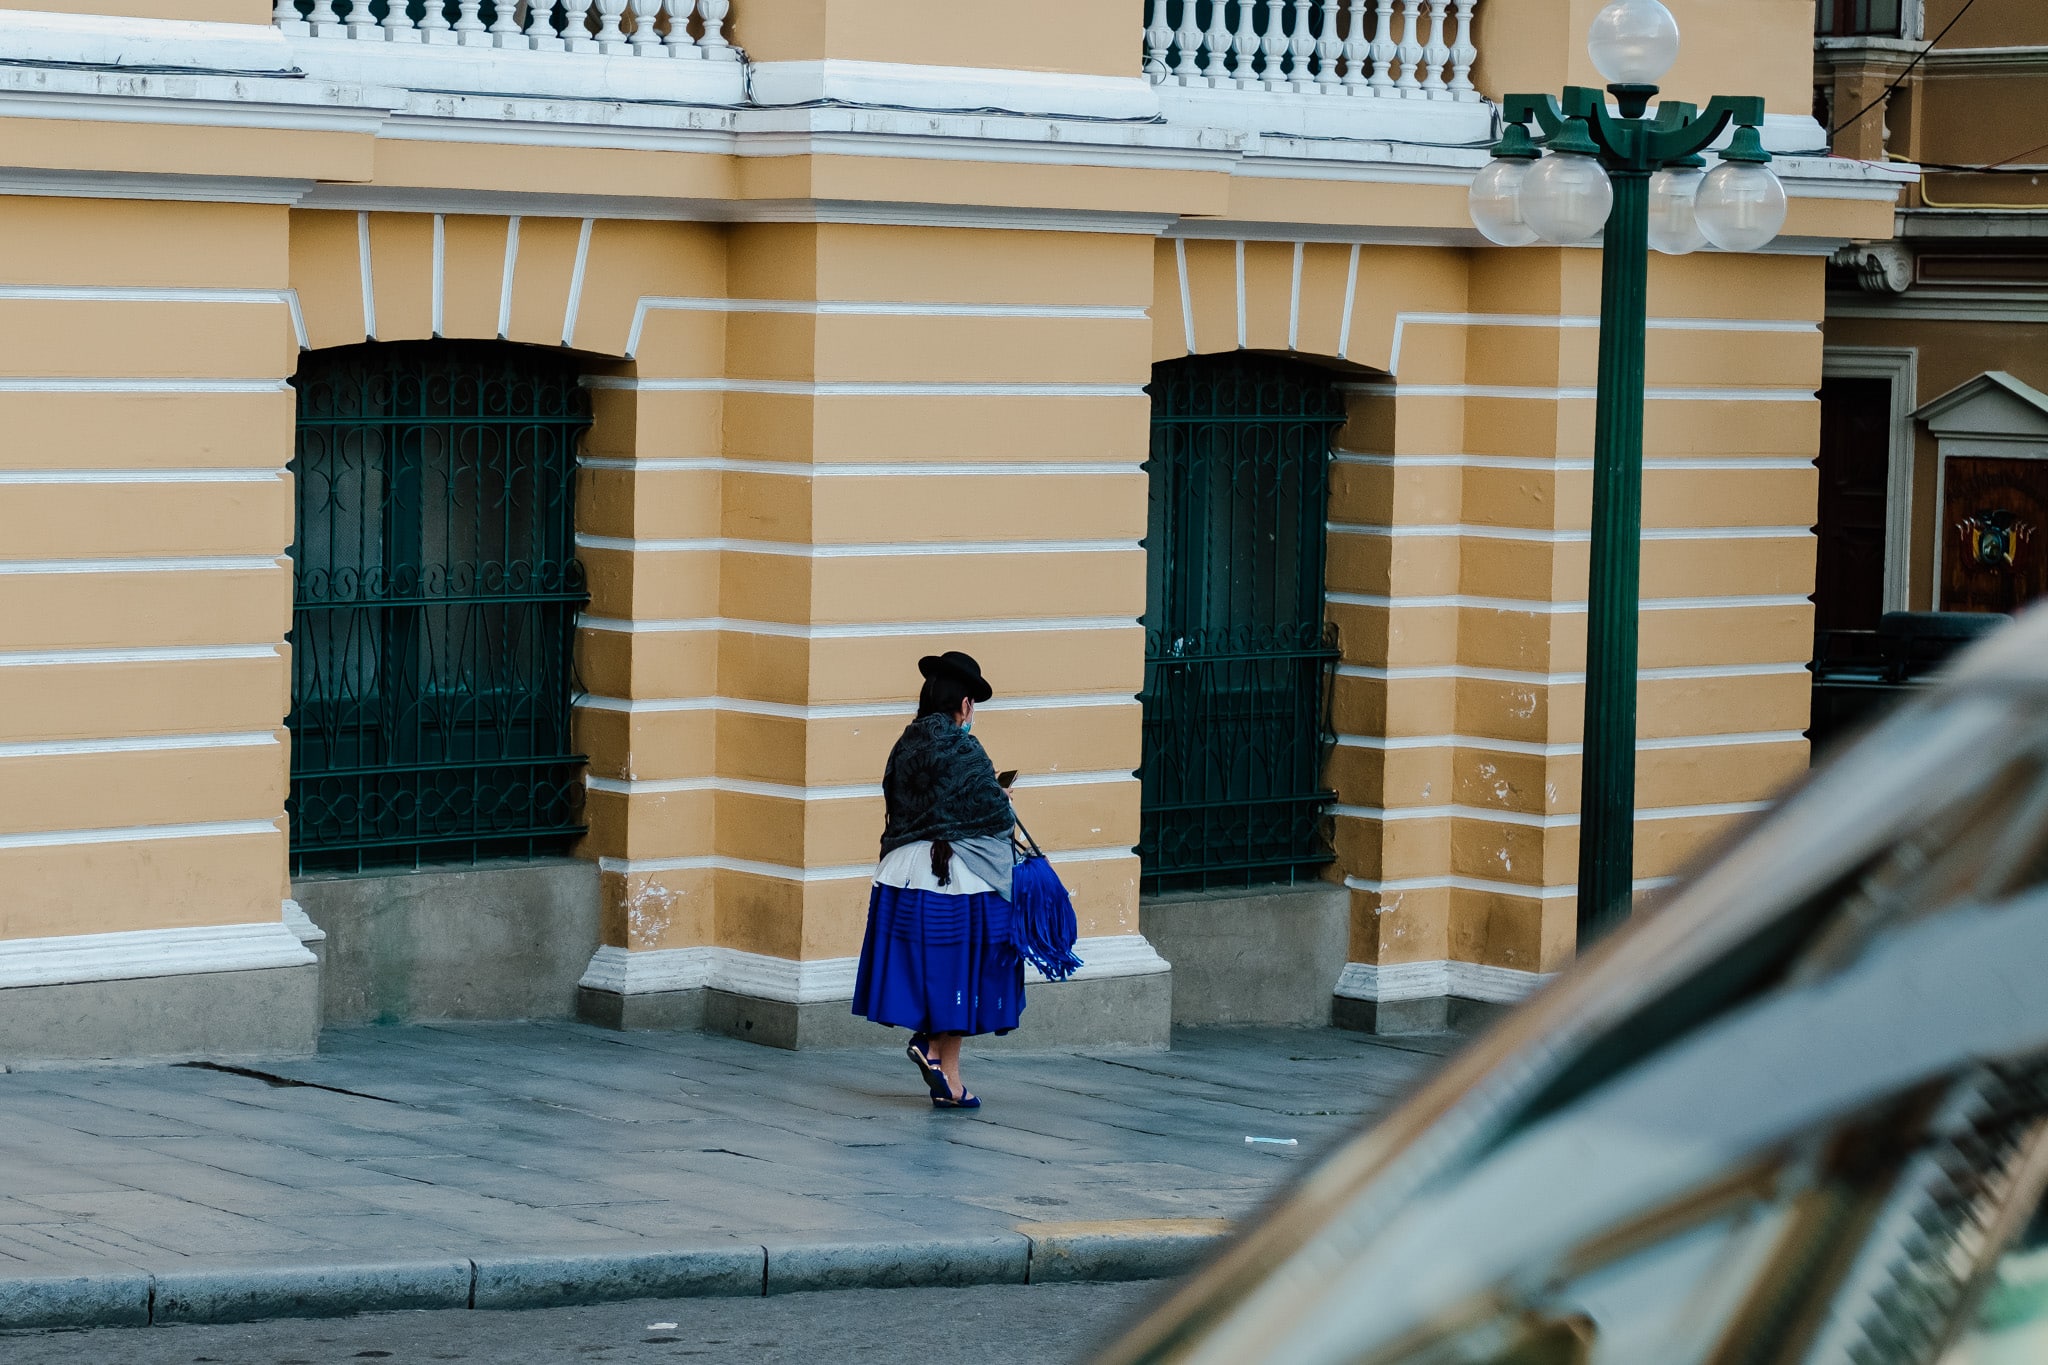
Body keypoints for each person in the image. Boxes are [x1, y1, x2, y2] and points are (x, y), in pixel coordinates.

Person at [851, 651, 1020, 1110]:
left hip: (900, 876)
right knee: (962, 974)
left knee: (940, 976)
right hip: (954, 881)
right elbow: (993, 814)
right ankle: (929, 1045)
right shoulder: (965, 750)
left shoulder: (904, 745)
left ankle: (950, 1079)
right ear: (964, 704)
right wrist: (1001, 794)